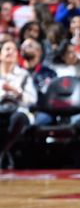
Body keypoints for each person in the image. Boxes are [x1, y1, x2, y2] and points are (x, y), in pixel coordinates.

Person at [0, 39, 37, 169]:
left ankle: (3, 151)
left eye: (14, 50)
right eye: (7, 49)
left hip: (18, 110)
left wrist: (17, 93)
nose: (10, 52)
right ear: (0, 55)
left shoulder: (24, 75)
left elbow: (32, 100)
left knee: (19, 117)